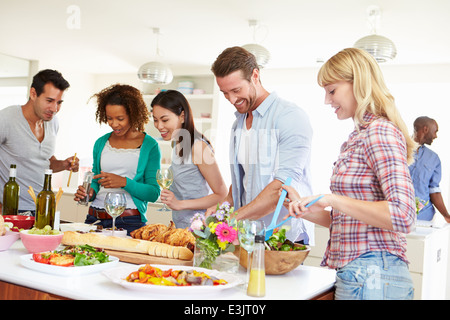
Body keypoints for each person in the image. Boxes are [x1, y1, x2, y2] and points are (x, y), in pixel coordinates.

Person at [282, 48, 416, 300]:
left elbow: (404, 215)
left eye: (332, 90)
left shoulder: (379, 132)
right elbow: (352, 223)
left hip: (374, 273)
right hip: (359, 273)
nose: (326, 100)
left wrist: (332, 199)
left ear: (359, 83)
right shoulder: (357, 137)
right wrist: (305, 206)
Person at [209, 46, 315, 244]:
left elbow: (282, 187)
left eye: (236, 90)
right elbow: (245, 180)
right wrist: (223, 206)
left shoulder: (289, 116)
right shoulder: (238, 124)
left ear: (255, 76)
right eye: (225, 93)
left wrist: (234, 217)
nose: (231, 100)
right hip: (249, 234)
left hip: (283, 236)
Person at [74, 84, 161, 234]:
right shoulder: (101, 143)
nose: (114, 124)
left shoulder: (150, 146)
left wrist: (124, 182)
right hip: (95, 219)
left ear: (133, 114)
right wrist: (89, 193)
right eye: (109, 118)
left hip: (129, 222)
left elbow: (153, 193)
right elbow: (95, 180)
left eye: (120, 118)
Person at [0, 69, 78, 215]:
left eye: (59, 102)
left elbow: (44, 162)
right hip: (10, 209)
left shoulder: (53, 123)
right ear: (33, 94)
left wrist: (63, 164)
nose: (54, 109)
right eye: (49, 101)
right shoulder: (6, 119)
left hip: (42, 208)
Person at [151, 90, 228, 229]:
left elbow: (221, 194)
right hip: (182, 226)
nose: (159, 126)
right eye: (155, 120)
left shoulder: (198, 146)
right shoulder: (177, 143)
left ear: (182, 116)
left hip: (200, 228)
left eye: (164, 120)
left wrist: (179, 204)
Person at [409, 116, 450, 222]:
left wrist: (446, 215)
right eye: (435, 131)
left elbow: (434, 190)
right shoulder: (398, 149)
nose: (435, 136)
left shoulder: (434, 158)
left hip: (425, 218)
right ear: (425, 129)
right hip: (397, 216)